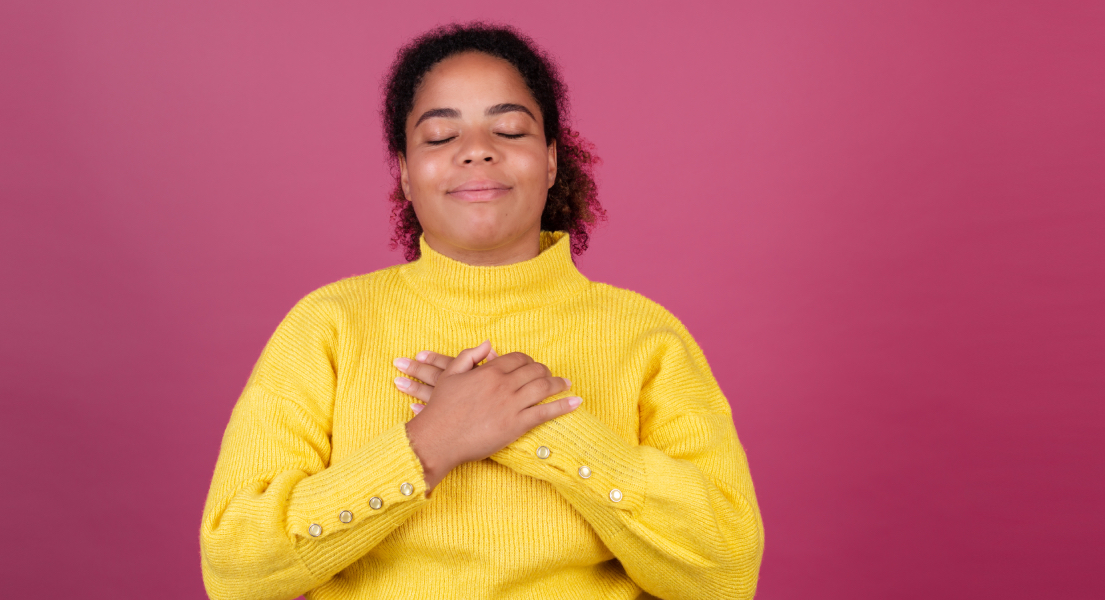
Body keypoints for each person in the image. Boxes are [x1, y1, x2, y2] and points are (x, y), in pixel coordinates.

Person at [199, 22, 764, 600]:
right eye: (441, 136)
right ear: (404, 173)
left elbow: (725, 572)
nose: (477, 150)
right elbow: (234, 572)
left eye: (510, 129)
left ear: (550, 162)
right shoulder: (327, 325)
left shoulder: (647, 335)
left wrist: (545, 430)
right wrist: (429, 445)